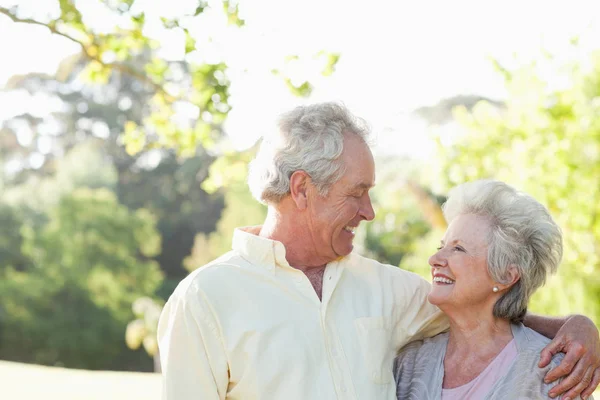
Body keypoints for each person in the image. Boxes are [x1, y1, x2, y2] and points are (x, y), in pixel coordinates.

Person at [158, 102, 600, 400]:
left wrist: (578, 328)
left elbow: (483, 312)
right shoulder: (205, 299)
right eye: (357, 193)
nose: (369, 212)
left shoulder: (385, 287)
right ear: (302, 189)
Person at [394, 180, 596, 399]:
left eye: (458, 249)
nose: (434, 259)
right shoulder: (409, 365)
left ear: (506, 276)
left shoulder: (553, 374)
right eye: (441, 247)